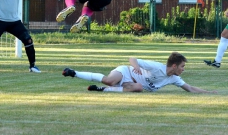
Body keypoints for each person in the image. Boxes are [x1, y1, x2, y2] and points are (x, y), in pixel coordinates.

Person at [62, 52, 217, 93]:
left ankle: (102, 90)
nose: (184, 69)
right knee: (110, 80)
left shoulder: (173, 79)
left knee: (139, 88)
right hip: (126, 72)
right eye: (182, 66)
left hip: (133, 85)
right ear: (174, 66)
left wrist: (208, 92)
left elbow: (190, 88)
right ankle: (74, 73)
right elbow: (132, 58)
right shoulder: (156, 67)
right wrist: (135, 66)